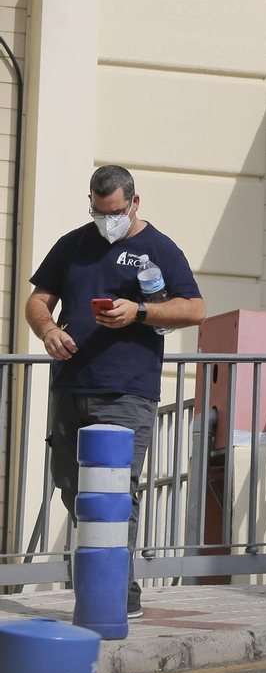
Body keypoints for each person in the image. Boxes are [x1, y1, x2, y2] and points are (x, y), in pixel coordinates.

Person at [24, 165, 205, 618]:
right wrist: (47, 330)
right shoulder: (73, 244)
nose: (107, 220)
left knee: (116, 493)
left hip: (126, 391)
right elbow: (37, 301)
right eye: (98, 212)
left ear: (134, 203)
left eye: (115, 212)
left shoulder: (157, 247)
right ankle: (95, 585)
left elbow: (195, 308)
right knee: (73, 489)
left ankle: (120, 598)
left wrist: (139, 311)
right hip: (70, 386)